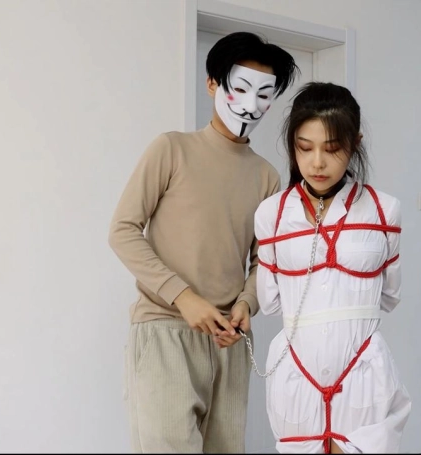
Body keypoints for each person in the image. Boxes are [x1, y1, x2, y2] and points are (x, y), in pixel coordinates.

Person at [108, 31, 299, 453]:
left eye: (264, 94)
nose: (251, 104)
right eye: (241, 88)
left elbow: (265, 260)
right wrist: (183, 297)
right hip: (165, 330)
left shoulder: (267, 177)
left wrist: (247, 303)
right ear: (213, 83)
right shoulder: (171, 149)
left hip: (229, 338)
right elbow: (122, 230)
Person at [249, 82, 412, 453]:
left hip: (363, 373)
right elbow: (270, 303)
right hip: (297, 375)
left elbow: (389, 296)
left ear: (355, 143)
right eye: (304, 148)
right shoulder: (271, 215)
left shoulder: (385, 210)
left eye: (333, 148)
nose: (317, 162)